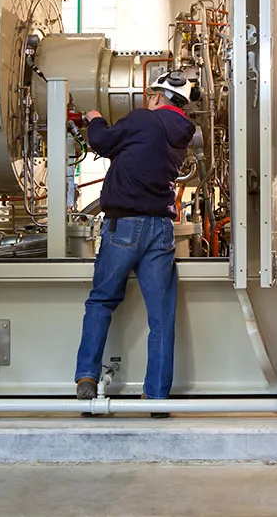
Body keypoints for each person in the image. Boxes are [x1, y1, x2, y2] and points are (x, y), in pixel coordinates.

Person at [74, 70, 198, 413]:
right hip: (161, 229)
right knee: (161, 316)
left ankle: (87, 374)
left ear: (159, 98)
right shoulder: (181, 133)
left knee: (101, 301)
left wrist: (95, 118)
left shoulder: (145, 120)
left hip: (125, 225)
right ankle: (156, 394)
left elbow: (101, 142)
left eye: (150, 96)